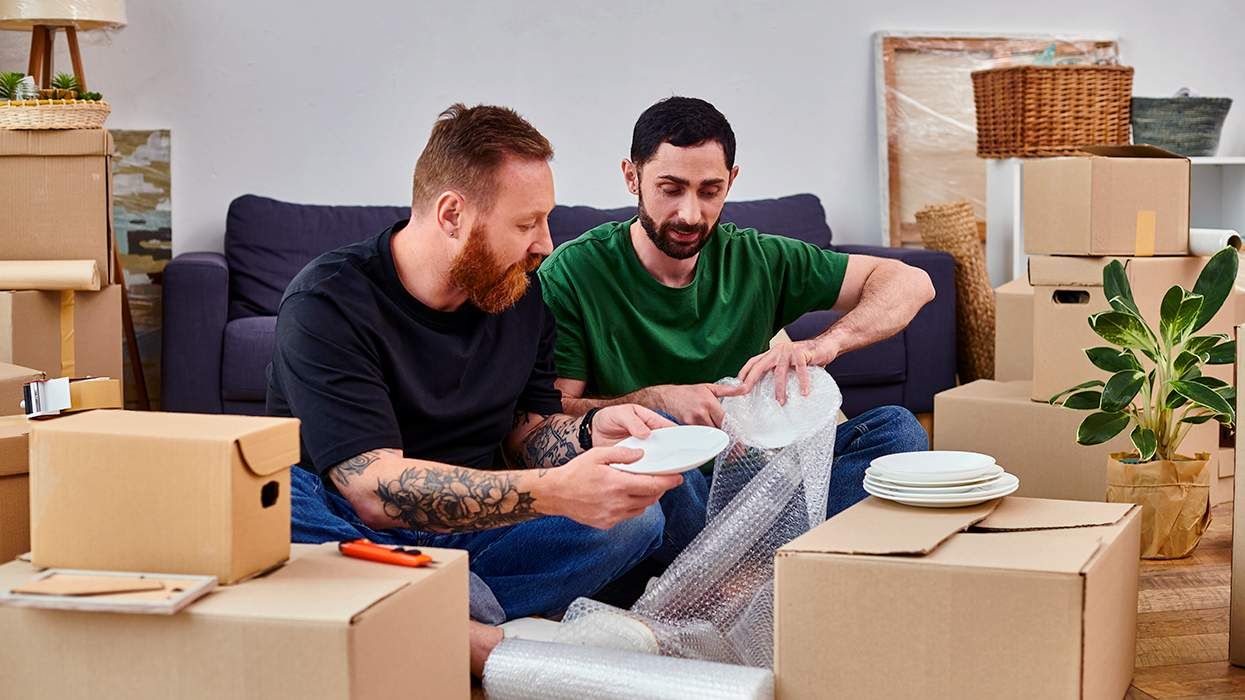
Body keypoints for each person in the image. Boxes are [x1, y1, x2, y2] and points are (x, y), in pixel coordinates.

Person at [266, 103, 698, 676]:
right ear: (451, 214)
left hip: (476, 538)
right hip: (355, 528)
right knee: (271, 503)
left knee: (638, 516)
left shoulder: (520, 296)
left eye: (545, 220)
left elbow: (528, 432)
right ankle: (473, 633)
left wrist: (590, 434)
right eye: (526, 224)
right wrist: (554, 492)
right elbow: (369, 488)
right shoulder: (328, 302)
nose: (545, 244)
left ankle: (420, 612)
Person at [538, 96, 934, 517]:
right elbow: (546, 418)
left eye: (710, 191)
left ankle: (745, 559)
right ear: (631, 177)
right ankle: (767, 557)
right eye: (670, 189)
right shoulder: (575, 272)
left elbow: (911, 282)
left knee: (896, 430)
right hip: (662, 487)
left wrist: (822, 346)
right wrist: (654, 401)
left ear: (732, 179)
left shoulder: (756, 259)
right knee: (666, 470)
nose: (690, 214)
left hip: (755, 477)